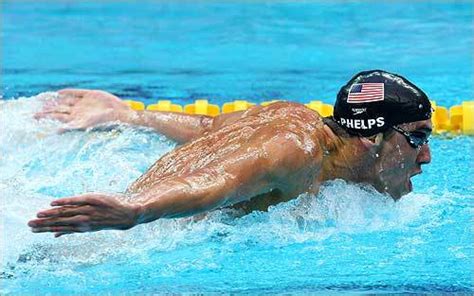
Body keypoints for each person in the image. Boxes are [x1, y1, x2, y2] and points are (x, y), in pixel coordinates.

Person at [28, 70, 432, 237]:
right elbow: (212, 181)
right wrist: (136, 210)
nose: (426, 156)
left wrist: (125, 114)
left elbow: (206, 127)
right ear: (372, 138)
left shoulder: (289, 116)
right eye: (416, 138)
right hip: (131, 234)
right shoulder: (295, 151)